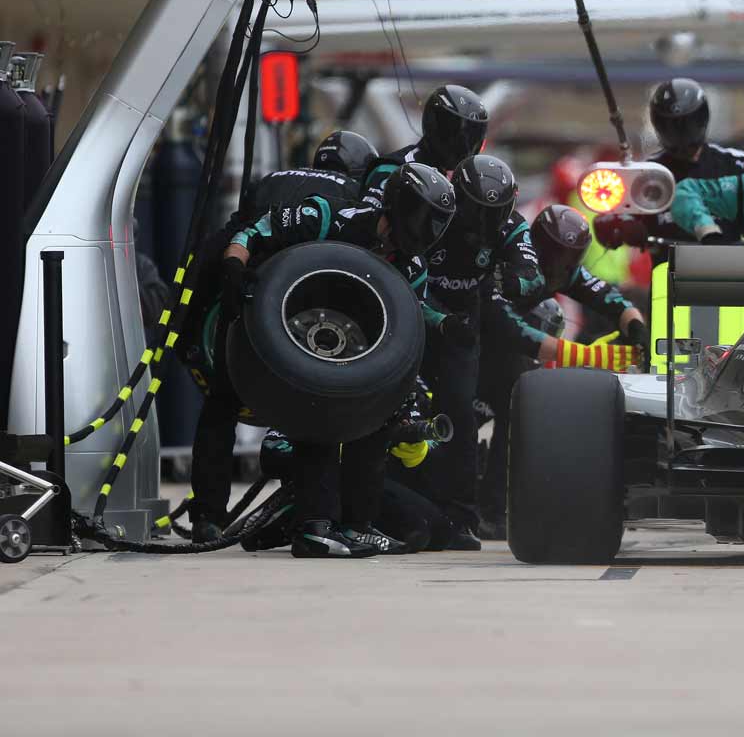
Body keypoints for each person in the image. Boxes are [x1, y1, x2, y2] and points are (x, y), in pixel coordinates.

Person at [221, 163, 457, 558]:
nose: (430, 232)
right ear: (402, 206)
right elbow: (256, 230)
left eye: (439, 224)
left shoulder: (413, 268)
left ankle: (354, 527)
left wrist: (408, 401)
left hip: (356, 355)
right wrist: (233, 265)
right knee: (324, 409)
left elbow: (407, 339)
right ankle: (314, 527)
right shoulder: (331, 215)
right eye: (426, 220)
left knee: (379, 413)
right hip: (291, 342)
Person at [185, 130, 379, 539]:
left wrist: (187, 330)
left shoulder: (272, 180)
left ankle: (206, 517)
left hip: (241, 300)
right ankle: (315, 516)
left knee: (220, 407)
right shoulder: (352, 200)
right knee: (317, 415)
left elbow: (220, 246)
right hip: (303, 315)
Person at [477, 205, 645, 536]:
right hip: (471, 342)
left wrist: (636, 327)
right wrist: (590, 358)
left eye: (568, 262)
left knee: (517, 415)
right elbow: (511, 330)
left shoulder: (568, 272)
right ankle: (460, 502)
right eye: (555, 259)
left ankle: (495, 507)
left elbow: (610, 298)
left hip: (510, 355)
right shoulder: (504, 269)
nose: (560, 269)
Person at [406, 152, 541, 549]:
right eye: (479, 212)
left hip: (463, 328)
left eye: (495, 213)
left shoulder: (511, 226)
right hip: (417, 315)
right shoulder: (435, 217)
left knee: (459, 412)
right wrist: (436, 317)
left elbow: (532, 275)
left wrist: (516, 282)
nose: (486, 223)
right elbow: (406, 276)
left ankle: (462, 514)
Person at [595, 77, 744, 254]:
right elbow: (619, 217)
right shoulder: (647, 175)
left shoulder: (737, 165)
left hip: (729, 271)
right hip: (668, 273)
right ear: (658, 125)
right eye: (671, 127)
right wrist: (617, 226)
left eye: (687, 125)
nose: (681, 135)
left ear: (702, 119)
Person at [362, 84, 488, 204]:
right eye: (457, 137)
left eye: (471, 139)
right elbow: (370, 221)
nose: (464, 147)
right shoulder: (393, 170)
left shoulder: (460, 183)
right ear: (435, 126)